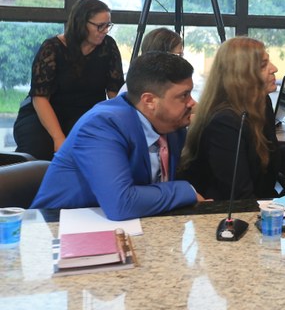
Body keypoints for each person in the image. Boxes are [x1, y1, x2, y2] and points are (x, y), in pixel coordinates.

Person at [30, 52, 204, 220]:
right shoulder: (101, 125)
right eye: (184, 95)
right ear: (149, 100)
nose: (192, 103)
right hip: (56, 228)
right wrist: (186, 191)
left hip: (130, 226)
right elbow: (121, 203)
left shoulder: (172, 126)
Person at [179, 37, 285, 201]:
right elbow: (238, 196)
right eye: (263, 65)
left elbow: (269, 157)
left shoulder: (261, 102)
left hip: (259, 202)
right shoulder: (224, 122)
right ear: (240, 75)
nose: (274, 68)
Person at [13, 0, 124, 160]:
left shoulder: (108, 46)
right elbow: (40, 98)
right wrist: (58, 137)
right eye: (100, 26)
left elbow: (114, 92)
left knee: (92, 150)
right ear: (81, 23)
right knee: (39, 148)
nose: (105, 30)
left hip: (85, 115)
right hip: (45, 114)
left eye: (108, 25)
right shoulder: (52, 48)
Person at [119, 28, 184, 95]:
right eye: (178, 55)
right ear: (161, 56)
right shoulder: (133, 89)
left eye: (181, 55)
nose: (182, 60)